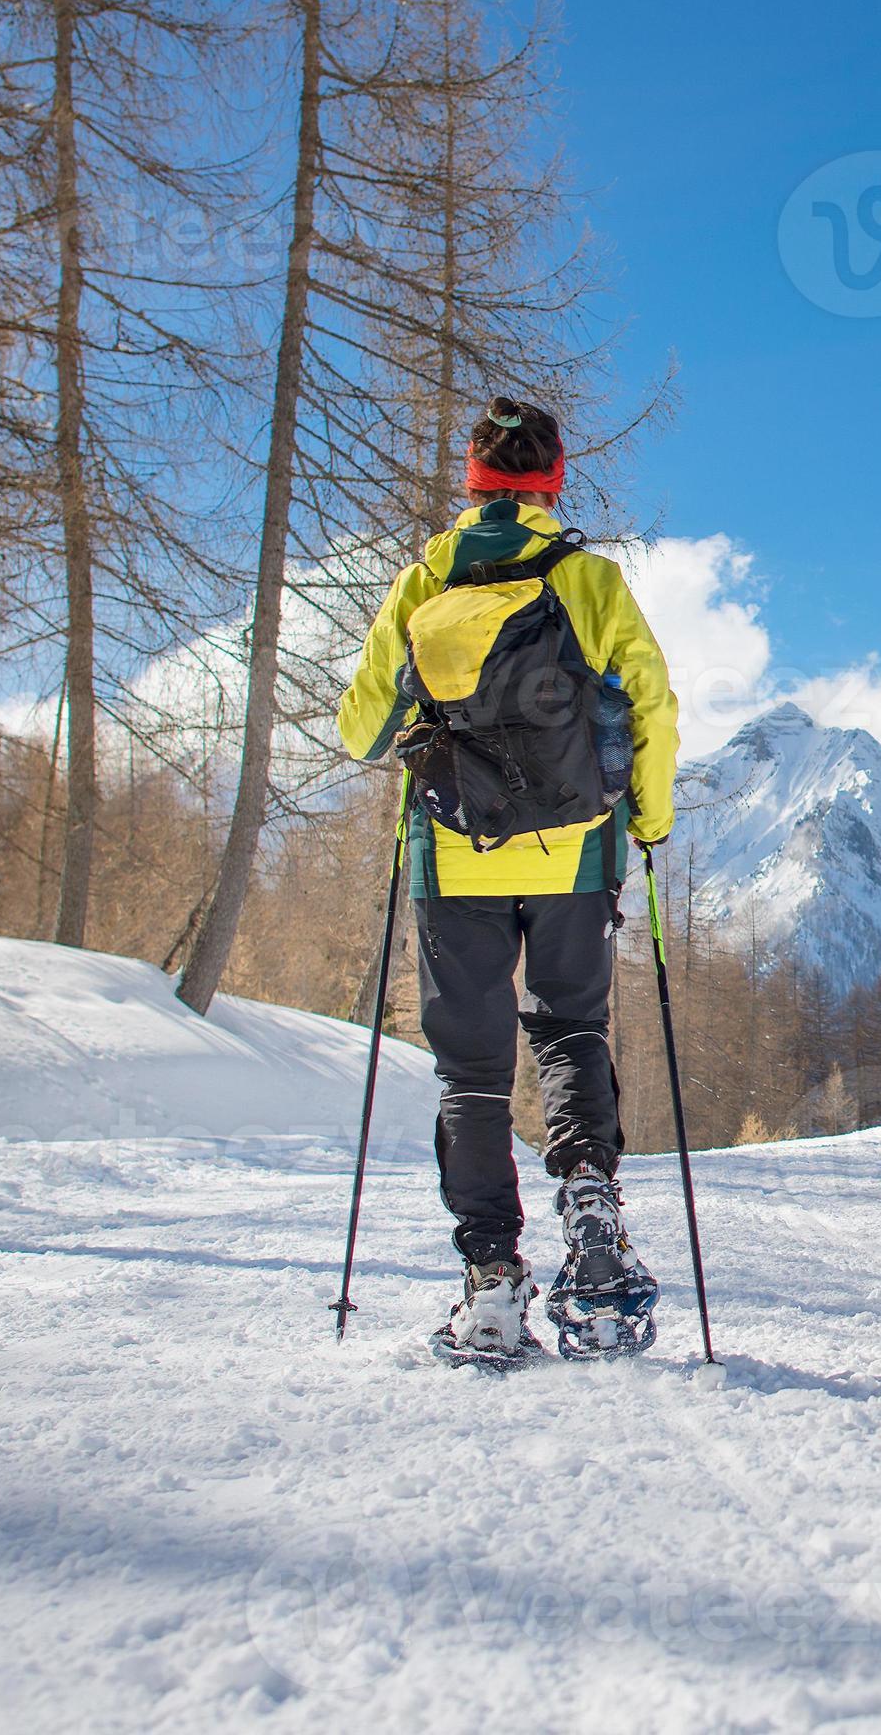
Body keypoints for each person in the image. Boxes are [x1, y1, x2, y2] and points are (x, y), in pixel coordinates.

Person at [334, 398, 679, 1363]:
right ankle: (590, 1201)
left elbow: (360, 731)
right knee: (570, 1028)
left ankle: (490, 1281)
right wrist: (649, 819)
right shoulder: (587, 579)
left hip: (453, 856)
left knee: (472, 1072)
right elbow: (650, 703)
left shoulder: (422, 583)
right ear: (551, 481)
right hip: (577, 852)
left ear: (473, 479)